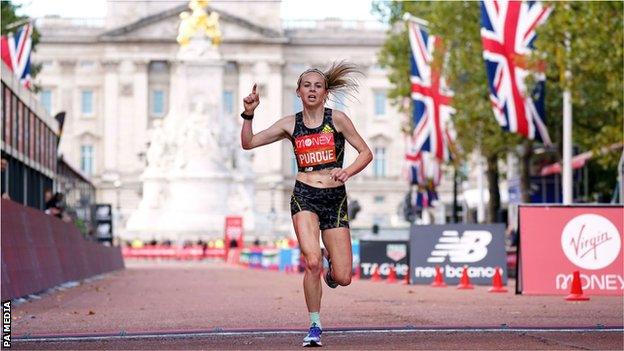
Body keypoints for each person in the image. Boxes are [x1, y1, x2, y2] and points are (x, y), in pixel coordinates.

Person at [240, 61, 372, 347]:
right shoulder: (291, 123)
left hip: (335, 198)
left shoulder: (338, 119)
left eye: (318, 86)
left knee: (344, 277)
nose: (312, 90)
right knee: (310, 262)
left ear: (325, 93)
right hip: (305, 195)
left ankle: (330, 265)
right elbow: (249, 143)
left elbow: (366, 153)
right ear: (298, 91)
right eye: (307, 86)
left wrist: (347, 171)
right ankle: (315, 325)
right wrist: (249, 114)